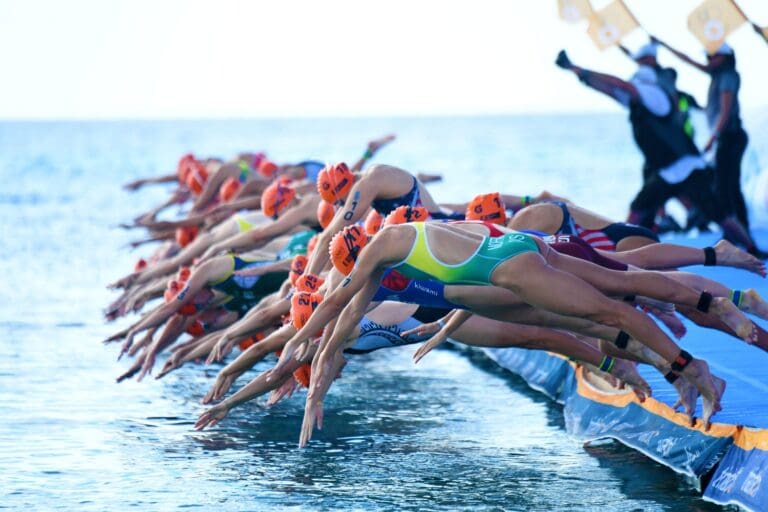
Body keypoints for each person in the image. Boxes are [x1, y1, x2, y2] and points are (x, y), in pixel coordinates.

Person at [555, 50, 764, 257]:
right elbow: (610, 90)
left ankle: (752, 248)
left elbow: (619, 85)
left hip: (686, 166)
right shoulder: (639, 101)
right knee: (638, 209)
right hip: (667, 170)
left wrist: (582, 69)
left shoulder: (654, 96)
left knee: (719, 214)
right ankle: (612, 248)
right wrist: (579, 73)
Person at [653, 39, 754, 237]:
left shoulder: (727, 76)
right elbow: (689, 60)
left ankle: (739, 234)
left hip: (730, 137)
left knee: (727, 187)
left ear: (725, 57)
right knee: (727, 186)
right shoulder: (717, 75)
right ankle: (740, 233)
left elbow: (725, 111)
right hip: (727, 138)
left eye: (712, 56)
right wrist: (665, 45)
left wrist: (713, 138)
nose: (708, 59)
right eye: (707, 56)